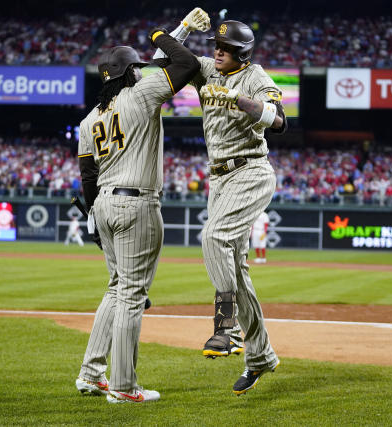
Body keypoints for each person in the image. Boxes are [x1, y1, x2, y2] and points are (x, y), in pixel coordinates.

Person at [154, 17, 287, 395]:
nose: (217, 50)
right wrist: (179, 27)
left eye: (224, 48)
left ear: (242, 54)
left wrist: (239, 100)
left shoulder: (256, 77)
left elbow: (279, 120)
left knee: (213, 238)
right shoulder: (210, 68)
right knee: (238, 270)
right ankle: (260, 357)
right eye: (215, 44)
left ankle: (225, 329)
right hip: (219, 178)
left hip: (250, 170)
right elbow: (167, 58)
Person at [74, 27, 202, 404]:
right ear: (131, 73)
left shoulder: (88, 120)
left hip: (103, 204)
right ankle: (124, 387)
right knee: (131, 294)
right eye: (137, 69)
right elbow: (187, 63)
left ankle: (91, 373)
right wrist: (163, 34)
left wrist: (94, 216)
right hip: (137, 202)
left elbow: (87, 176)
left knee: (116, 288)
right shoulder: (140, 93)